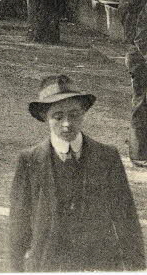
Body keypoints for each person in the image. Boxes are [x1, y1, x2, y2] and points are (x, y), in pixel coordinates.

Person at [8, 74, 144, 272]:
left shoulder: (107, 157)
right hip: (46, 264)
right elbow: (18, 227)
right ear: (45, 117)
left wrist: (137, 269)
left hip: (98, 264)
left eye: (74, 114)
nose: (67, 124)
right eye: (58, 116)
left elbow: (127, 220)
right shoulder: (29, 161)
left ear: (84, 113)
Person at [118, 0, 147, 165]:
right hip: (140, 55)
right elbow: (140, 35)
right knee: (141, 103)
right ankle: (138, 154)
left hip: (136, 53)